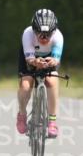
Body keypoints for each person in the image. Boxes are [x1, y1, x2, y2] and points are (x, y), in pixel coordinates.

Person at [16, 8, 64, 138]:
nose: (44, 38)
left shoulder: (58, 36)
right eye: (40, 34)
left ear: (53, 31)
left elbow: (56, 59)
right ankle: (22, 114)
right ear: (34, 30)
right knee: (26, 85)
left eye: (48, 34)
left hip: (49, 57)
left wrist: (53, 61)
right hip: (30, 57)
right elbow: (29, 59)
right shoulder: (28, 34)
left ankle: (52, 121)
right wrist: (35, 62)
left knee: (52, 81)